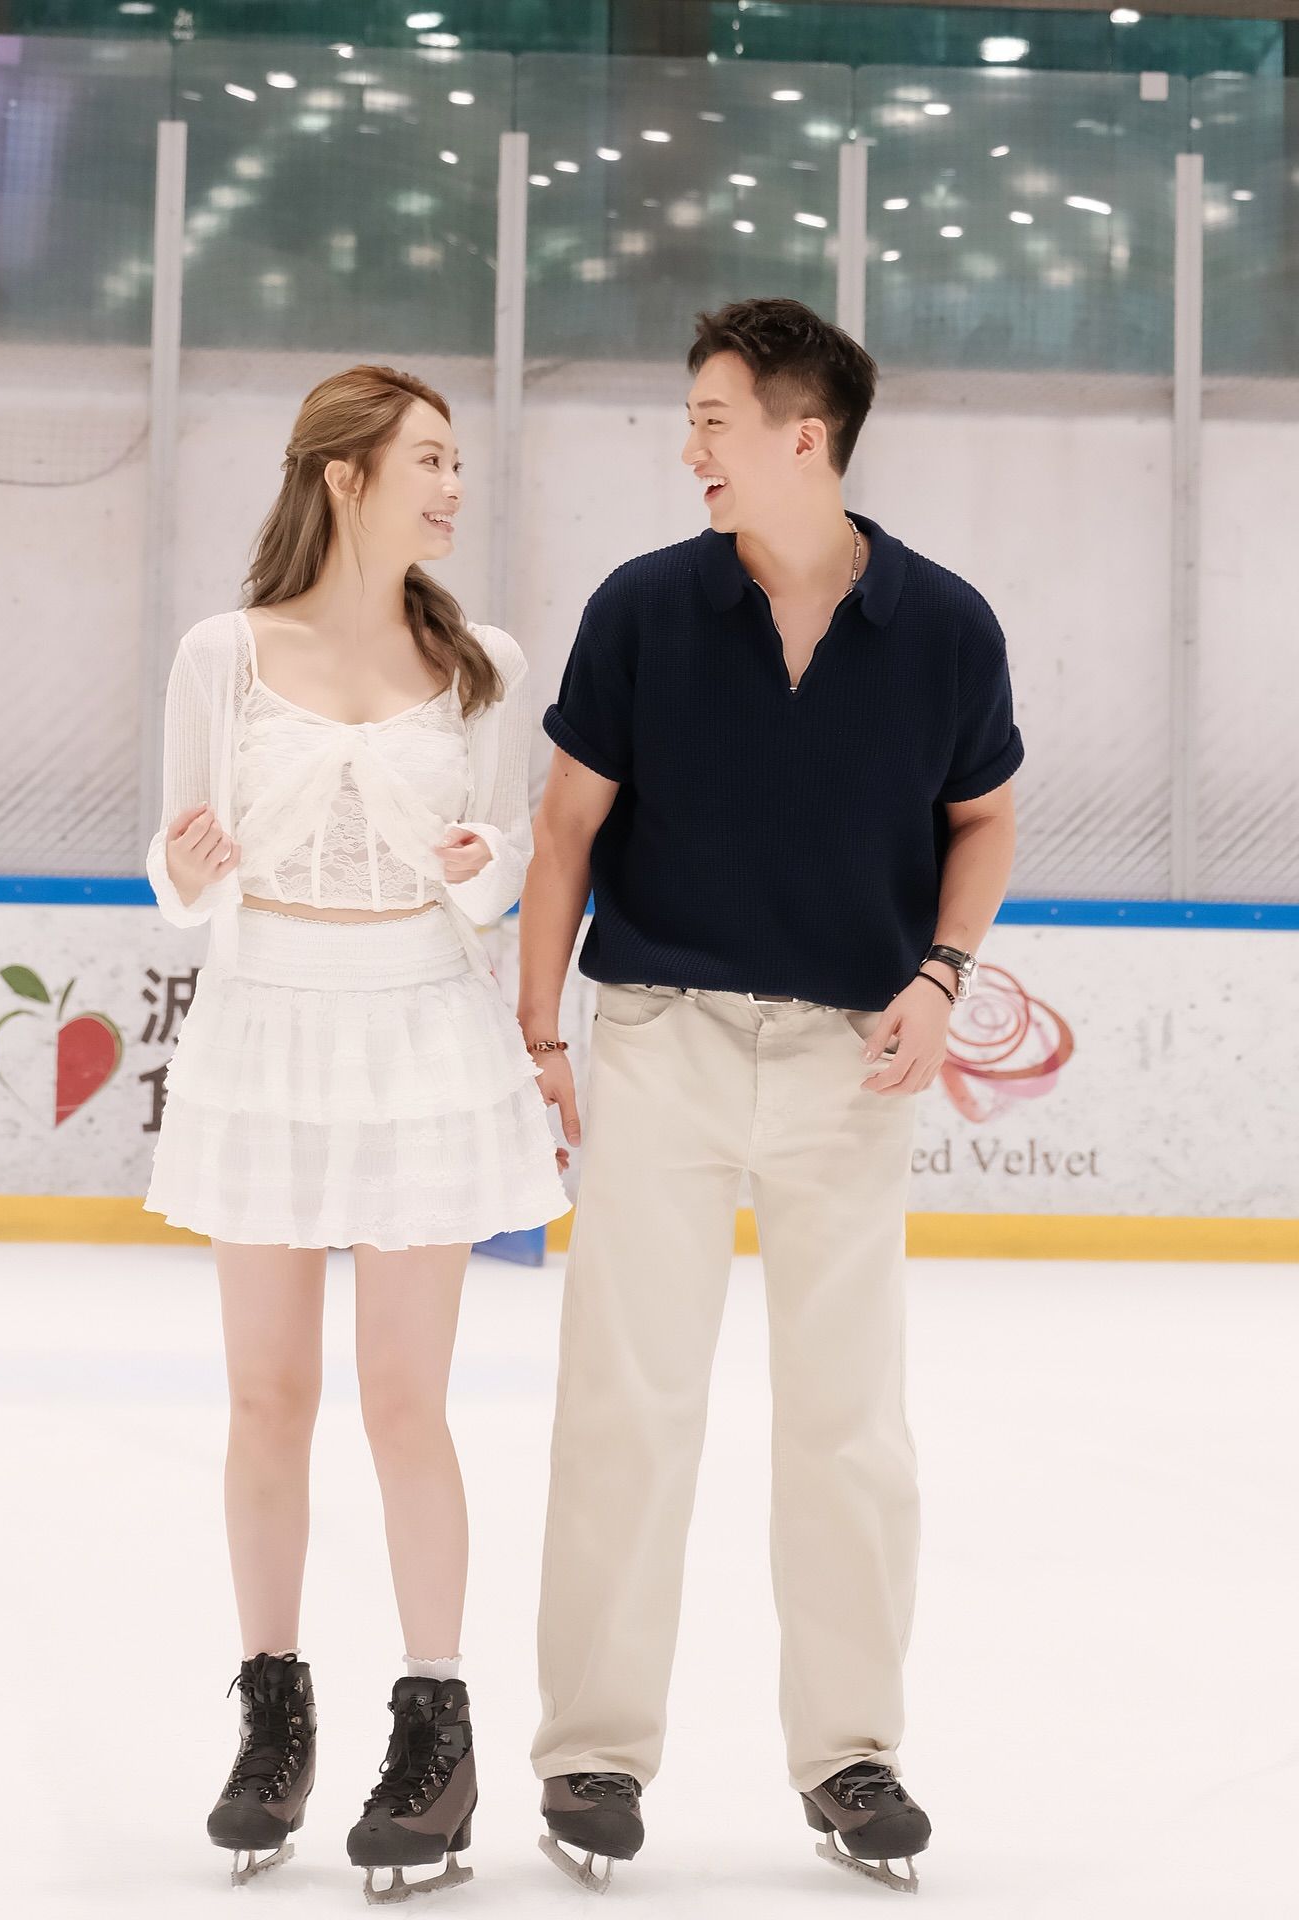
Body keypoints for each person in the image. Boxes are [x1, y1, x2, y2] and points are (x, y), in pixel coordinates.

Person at [520, 298, 1023, 1896]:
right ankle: (594, 1754)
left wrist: (942, 975)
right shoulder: (642, 609)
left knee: (849, 1424)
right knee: (627, 1405)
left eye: (714, 420)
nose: (690, 447)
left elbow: (986, 818)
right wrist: (539, 1029)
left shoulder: (946, 628)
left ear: (807, 436)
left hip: (850, 1061)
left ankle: (851, 1757)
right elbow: (563, 829)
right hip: (659, 1037)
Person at [141, 365, 570, 1902]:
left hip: (418, 1036)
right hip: (267, 1025)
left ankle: (435, 1733)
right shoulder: (225, 653)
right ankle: (273, 1718)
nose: (455, 486)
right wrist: (188, 868)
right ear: (345, 475)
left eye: (458, 462)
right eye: (430, 460)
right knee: (268, 1397)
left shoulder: (481, 662)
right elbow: (174, 873)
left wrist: (474, 864)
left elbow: (500, 876)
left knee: (405, 1404)